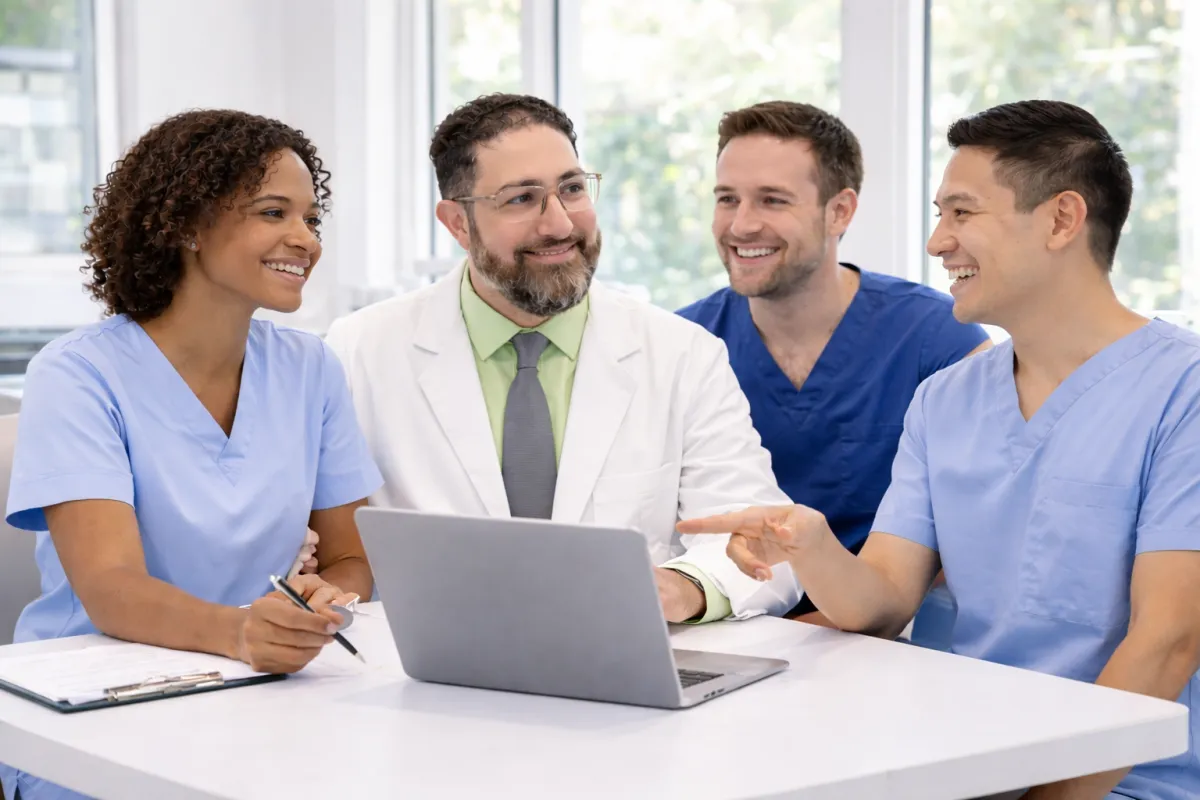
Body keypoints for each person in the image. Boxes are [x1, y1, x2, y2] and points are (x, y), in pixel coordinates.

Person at [680, 100, 1200, 799]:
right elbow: (886, 601)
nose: (936, 242)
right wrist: (808, 543)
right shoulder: (946, 399)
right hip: (963, 759)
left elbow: (1169, 642)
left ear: (1062, 219)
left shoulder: (1182, 391)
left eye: (962, 213)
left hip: (1126, 780)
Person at [1, 110, 382, 800]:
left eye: (312, 219)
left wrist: (327, 598)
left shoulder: (310, 369)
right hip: (95, 714)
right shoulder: (78, 374)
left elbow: (352, 556)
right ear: (185, 224)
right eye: (275, 213)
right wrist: (243, 633)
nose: (306, 240)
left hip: (259, 697)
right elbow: (112, 589)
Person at [324, 93, 797, 624]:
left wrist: (682, 589)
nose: (559, 224)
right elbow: (324, 549)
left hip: (624, 669)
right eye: (522, 199)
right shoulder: (357, 353)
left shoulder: (683, 355)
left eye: (571, 189)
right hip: (430, 676)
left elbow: (765, 548)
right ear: (457, 223)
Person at [678, 101, 989, 621]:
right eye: (726, 199)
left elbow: (973, 535)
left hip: (882, 640)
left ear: (840, 211)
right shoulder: (685, 344)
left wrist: (810, 639)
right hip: (726, 632)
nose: (741, 224)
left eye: (772, 200)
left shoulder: (937, 338)